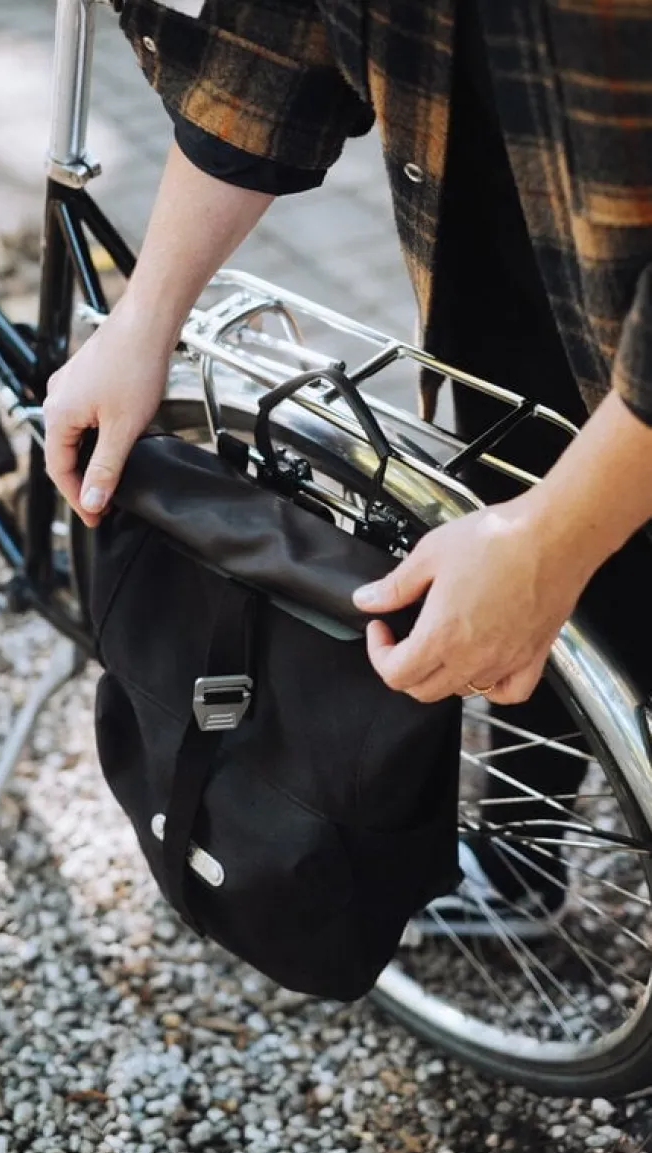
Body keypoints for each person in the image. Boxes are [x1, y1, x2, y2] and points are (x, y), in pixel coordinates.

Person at [43, 0, 652, 931]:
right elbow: (276, 36)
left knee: (553, 554)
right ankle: (522, 853)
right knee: (519, 562)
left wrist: (553, 537)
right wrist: (145, 317)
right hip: (497, 221)